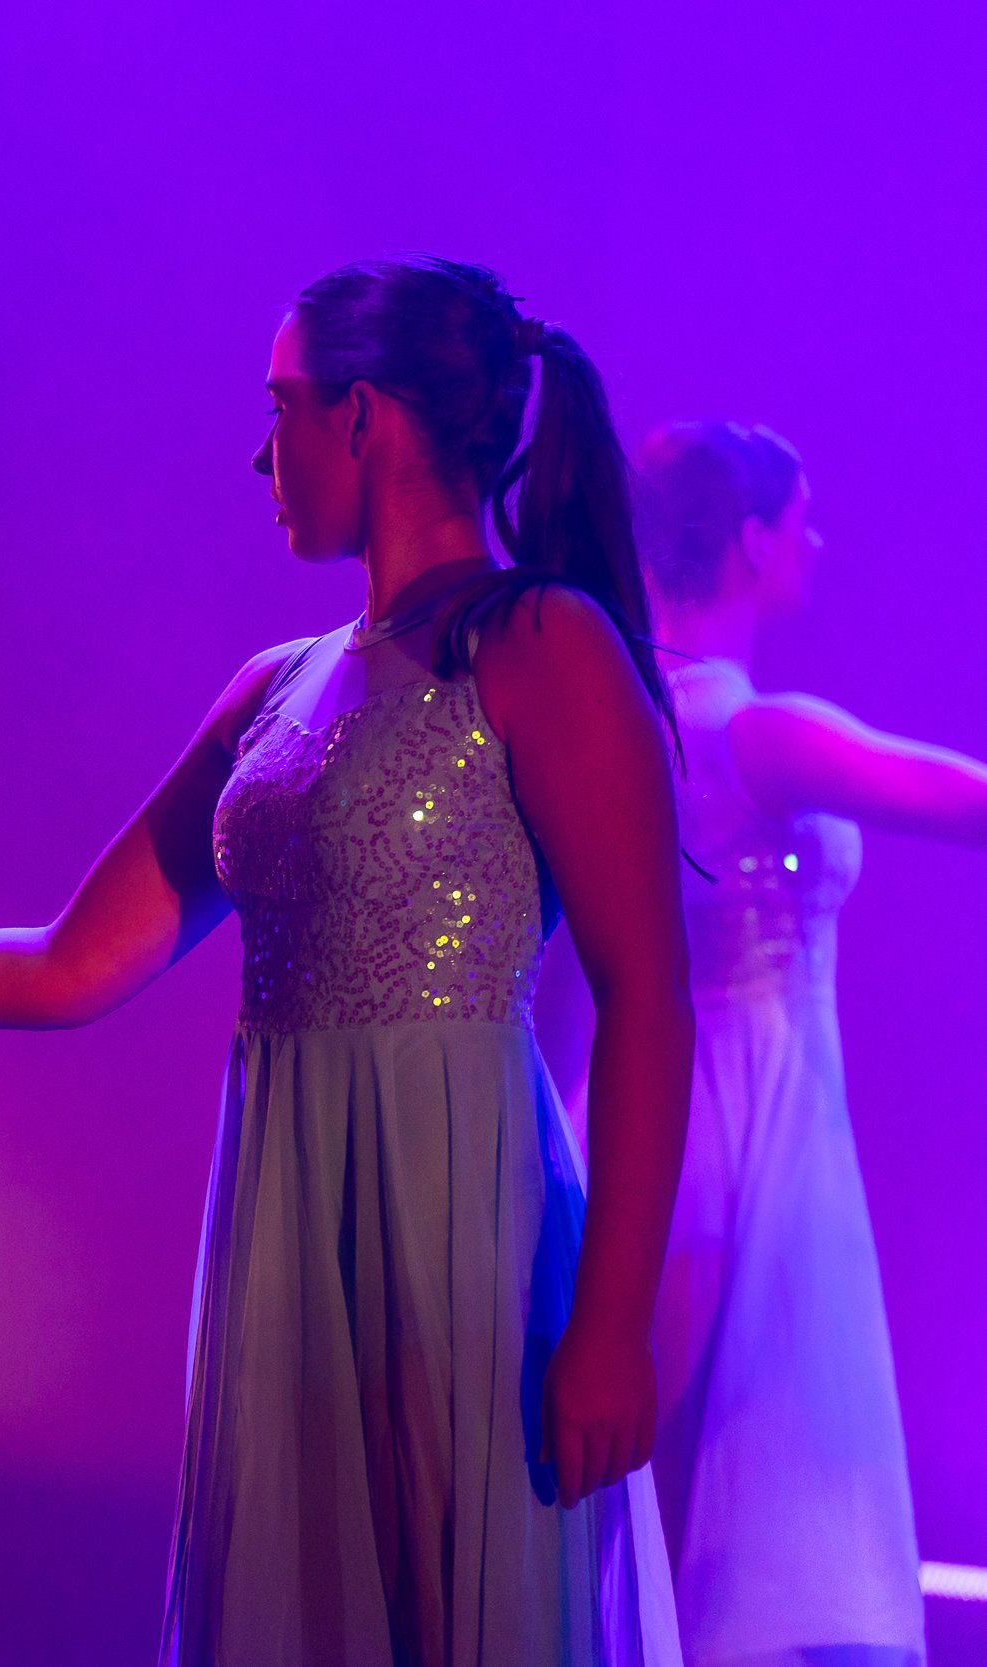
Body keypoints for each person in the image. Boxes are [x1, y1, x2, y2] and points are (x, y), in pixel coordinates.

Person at [0, 256, 692, 1663]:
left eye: (281, 408)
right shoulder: (273, 686)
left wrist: (613, 1323)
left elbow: (648, 994)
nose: (259, 451)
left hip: (469, 1216)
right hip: (288, 1214)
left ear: (364, 419)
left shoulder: (534, 642)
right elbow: (70, 961)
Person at [634, 419, 984, 1667]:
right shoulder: (751, 730)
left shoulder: (625, 715)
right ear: (748, 542)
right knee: (738, 1453)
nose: (817, 541)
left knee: (662, 1466)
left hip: (650, 1094)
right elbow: (959, 795)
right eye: (802, 519)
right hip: (757, 1109)